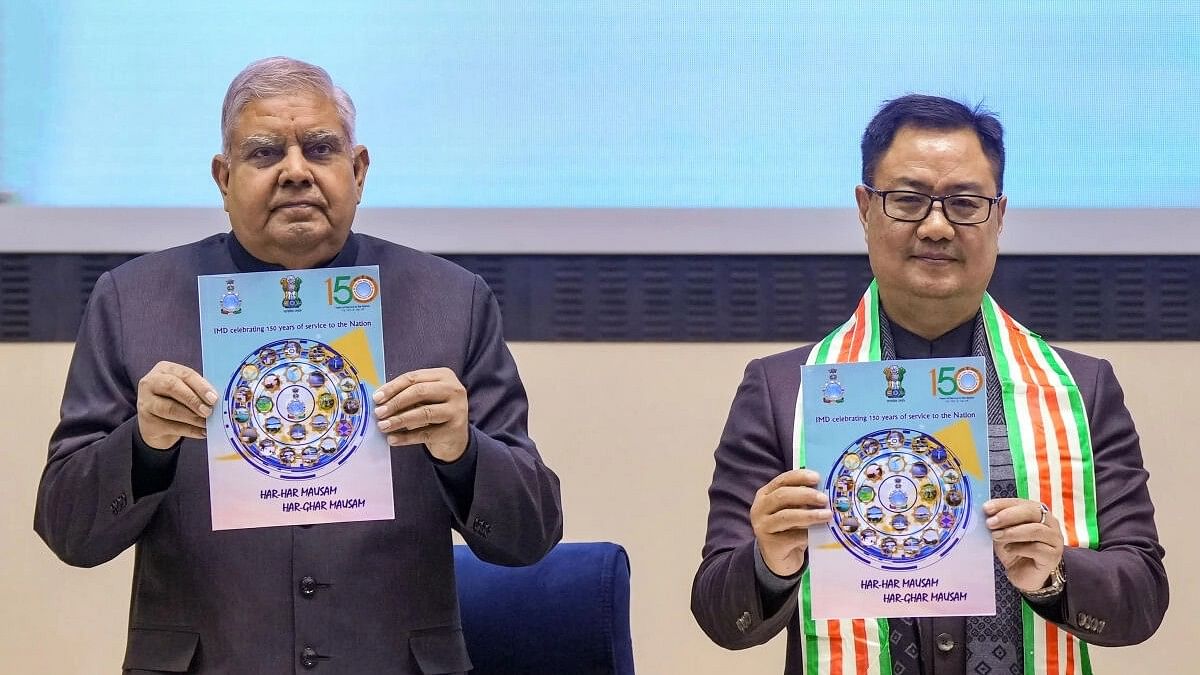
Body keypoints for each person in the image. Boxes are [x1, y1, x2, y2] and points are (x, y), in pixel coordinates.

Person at [34, 57, 563, 674]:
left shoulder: (451, 301)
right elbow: (69, 533)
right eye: (264, 154)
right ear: (223, 177)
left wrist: (462, 451)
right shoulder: (135, 301)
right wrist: (144, 445)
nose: (295, 172)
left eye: (320, 148)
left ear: (358, 170)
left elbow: (531, 536)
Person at [691, 94, 1167, 674]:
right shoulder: (783, 390)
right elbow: (720, 614)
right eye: (909, 200)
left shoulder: (1080, 388)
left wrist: (1054, 574)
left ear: (999, 215)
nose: (937, 226)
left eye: (965, 203)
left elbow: (1142, 600)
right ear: (865, 209)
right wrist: (769, 563)